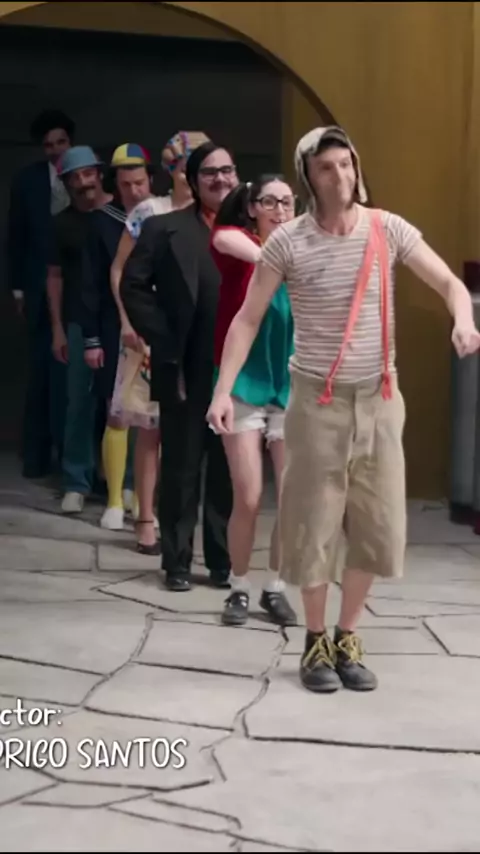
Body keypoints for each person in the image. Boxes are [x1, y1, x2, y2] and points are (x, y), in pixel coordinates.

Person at [207, 125, 480, 693]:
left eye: (347, 164)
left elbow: (450, 283)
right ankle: (314, 640)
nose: (342, 177)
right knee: (313, 524)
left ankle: (347, 636)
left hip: (380, 398)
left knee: (376, 525)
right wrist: (222, 390)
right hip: (316, 402)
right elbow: (246, 319)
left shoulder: (387, 228)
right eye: (327, 168)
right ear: (309, 177)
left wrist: (463, 319)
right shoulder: (288, 242)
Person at [120, 141, 238, 591]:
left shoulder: (253, 231)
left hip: (236, 370)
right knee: (181, 468)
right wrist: (162, 334)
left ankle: (223, 561)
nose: (220, 179)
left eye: (227, 171)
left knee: (229, 470)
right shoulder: (164, 228)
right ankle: (177, 562)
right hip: (184, 363)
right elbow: (133, 285)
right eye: (209, 172)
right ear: (192, 179)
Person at [109, 131, 209, 554]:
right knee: (150, 429)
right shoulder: (151, 212)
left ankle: (182, 521)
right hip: (154, 331)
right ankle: (145, 517)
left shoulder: (215, 215)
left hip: (199, 335)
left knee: (189, 434)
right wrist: (129, 321)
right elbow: (121, 269)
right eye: (188, 166)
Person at [210, 175, 297, 627]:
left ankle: (274, 587)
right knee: (248, 495)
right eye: (270, 202)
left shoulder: (305, 250)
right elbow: (224, 239)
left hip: (291, 383)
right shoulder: (238, 243)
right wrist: (277, 257)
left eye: (287, 202)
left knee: (291, 496)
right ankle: (238, 586)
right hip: (243, 381)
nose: (280, 210)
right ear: (252, 208)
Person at [81, 143, 153, 529]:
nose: (133, 191)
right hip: (115, 326)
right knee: (116, 410)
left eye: (139, 182)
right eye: (125, 184)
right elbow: (91, 283)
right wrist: (92, 338)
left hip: (157, 326)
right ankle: (113, 499)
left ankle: (141, 498)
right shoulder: (101, 223)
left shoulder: (163, 216)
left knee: (151, 416)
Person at [7, 109, 74, 478]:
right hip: (36, 287)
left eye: (61, 142)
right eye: (49, 145)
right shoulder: (28, 181)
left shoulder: (84, 175)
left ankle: (70, 460)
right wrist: (18, 288)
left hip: (75, 288)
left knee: (72, 381)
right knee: (39, 374)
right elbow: (16, 235)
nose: (55, 149)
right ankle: (35, 456)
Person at [47, 146, 113, 513]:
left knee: (123, 406)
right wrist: (57, 329)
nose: (83, 181)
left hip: (118, 321)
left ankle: (124, 483)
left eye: (88, 173)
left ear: (99, 174)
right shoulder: (62, 224)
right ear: (66, 183)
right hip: (76, 321)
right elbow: (54, 277)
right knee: (79, 403)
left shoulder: (122, 213)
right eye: (75, 176)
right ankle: (76, 480)